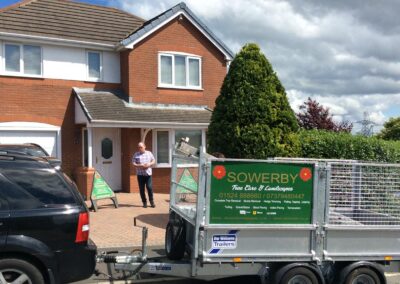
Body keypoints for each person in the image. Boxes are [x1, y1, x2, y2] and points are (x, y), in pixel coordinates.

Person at [132, 142, 156, 208]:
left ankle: (151, 201)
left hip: (148, 174)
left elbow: (154, 160)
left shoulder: (149, 153)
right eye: (138, 147)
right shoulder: (136, 154)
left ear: (144, 146)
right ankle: (144, 202)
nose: (140, 148)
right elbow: (133, 163)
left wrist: (149, 164)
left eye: (141, 147)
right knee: (141, 189)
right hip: (140, 175)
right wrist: (140, 165)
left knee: (149, 187)